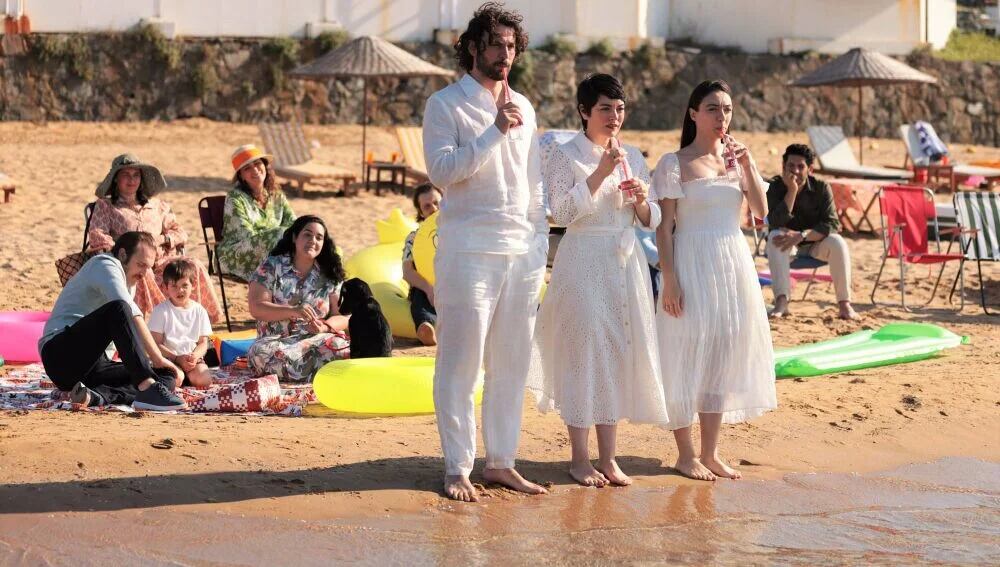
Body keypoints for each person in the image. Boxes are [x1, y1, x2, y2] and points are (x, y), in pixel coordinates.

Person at [423, 2, 549, 502]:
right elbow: (442, 172)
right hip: (468, 248)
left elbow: (534, 182)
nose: (505, 54)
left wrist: (539, 241)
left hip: (523, 251)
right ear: (473, 47)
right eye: (496, 44)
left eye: (512, 46)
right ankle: (458, 466)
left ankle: (500, 461)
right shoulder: (445, 104)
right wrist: (494, 130)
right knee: (461, 360)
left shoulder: (527, 105)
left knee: (511, 361)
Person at [528, 74, 667, 488]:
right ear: (585, 111)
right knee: (583, 354)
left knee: (616, 353)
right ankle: (578, 458)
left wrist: (642, 199)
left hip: (625, 265)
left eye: (620, 108)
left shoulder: (634, 154)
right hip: (582, 259)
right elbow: (561, 214)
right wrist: (599, 173)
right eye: (605, 108)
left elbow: (652, 219)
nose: (614, 116)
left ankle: (609, 458)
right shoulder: (563, 152)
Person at [651, 80, 777, 481]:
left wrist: (750, 166)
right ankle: (685, 453)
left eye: (726, 108)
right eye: (711, 108)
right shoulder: (674, 162)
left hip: (733, 262)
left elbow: (761, 211)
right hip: (691, 260)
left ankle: (710, 451)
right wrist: (669, 280)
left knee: (722, 353)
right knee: (685, 352)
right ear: (693, 114)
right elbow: (664, 228)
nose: (721, 116)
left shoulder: (737, 161)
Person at [38, 231, 186, 411]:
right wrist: (158, 358)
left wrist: (160, 365)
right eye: (140, 265)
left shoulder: (129, 281)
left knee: (165, 376)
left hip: (93, 367)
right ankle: (146, 387)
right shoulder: (104, 265)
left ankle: (98, 396)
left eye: (148, 267)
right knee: (120, 308)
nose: (144, 273)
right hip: (60, 356)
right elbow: (130, 314)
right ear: (123, 254)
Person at [87, 154, 223, 322]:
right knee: (144, 271)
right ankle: (155, 323)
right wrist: (123, 252)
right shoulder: (106, 205)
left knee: (193, 265)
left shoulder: (156, 205)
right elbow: (97, 234)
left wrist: (164, 239)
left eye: (136, 175)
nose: (132, 180)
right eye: (125, 175)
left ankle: (196, 321)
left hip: (163, 261)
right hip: (131, 263)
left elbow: (180, 232)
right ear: (116, 179)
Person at [247, 215, 350, 382]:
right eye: (307, 235)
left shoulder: (330, 274)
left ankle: (306, 373)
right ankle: (319, 374)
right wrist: (292, 311)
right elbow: (256, 307)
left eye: (319, 237)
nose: (313, 241)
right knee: (260, 354)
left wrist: (324, 327)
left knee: (342, 348)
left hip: (316, 340)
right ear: (295, 237)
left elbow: (343, 316)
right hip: (276, 342)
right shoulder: (271, 266)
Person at [766, 143, 858, 320]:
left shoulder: (821, 188)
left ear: (811, 169)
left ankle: (844, 304)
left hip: (815, 244)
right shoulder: (775, 186)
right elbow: (775, 222)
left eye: (801, 166)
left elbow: (832, 223)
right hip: (785, 246)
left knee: (838, 242)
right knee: (774, 236)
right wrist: (791, 191)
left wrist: (802, 235)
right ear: (783, 167)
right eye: (791, 166)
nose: (796, 171)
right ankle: (781, 302)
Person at [216, 144, 296, 281]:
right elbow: (245, 234)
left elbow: (295, 224)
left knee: (308, 233)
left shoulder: (277, 196)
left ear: (265, 166)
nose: (255, 170)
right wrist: (278, 235)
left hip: (273, 250)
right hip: (236, 254)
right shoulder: (235, 198)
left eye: (257, 163)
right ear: (241, 175)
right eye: (247, 168)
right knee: (281, 235)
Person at [148, 259, 214, 388]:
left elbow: (203, 342)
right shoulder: (160, 311)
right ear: (166, 287)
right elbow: (156, 344)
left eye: (184, 285)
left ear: (193, 285)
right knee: (176, 380)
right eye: (174, 286)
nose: (180, 290)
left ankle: (188, 376)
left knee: (204, 380)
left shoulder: (199, 310)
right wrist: (177, 358)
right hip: (169, 358)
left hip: (191, 359)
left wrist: (195, 356)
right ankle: (180, 377)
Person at [401, 183, 443, 346]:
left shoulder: (460, 230)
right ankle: (426, 327)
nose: (433, 208)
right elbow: (407, 272)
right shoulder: (414, 237)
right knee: (419, 294)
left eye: (436, 203)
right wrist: (429, 289)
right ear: (420, 212)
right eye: (427, 206)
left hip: (454, 282)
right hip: (426, 287)